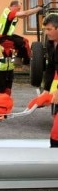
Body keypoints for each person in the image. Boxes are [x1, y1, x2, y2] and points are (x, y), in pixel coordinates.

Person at [0, 0, 43, 66]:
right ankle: (26, 63)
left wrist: (34, 10)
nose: (19, 10)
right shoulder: (10, 13)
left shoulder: (8, 11)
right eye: (18, 8)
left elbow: (24, 16)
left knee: (25, 40)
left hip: (7, 36)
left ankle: (19, 58)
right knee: (23, 44)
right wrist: (38, 9)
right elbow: (25, 13)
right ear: (14, 6)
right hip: (4, 38)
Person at [40, 14, 58, 147]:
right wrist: (46, 90)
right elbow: (50, 67)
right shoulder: (50, 43)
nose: (46, 32)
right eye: (45, 29)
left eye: (49, 29)